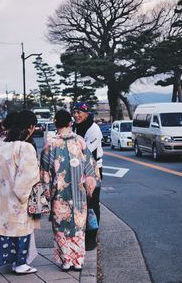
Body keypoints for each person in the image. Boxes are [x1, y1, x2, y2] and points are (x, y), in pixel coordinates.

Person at [40, 109, 97, 271]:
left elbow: (44, 173)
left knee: (61, 227)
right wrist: (89, 188)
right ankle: (78, 261)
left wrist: (47, 192)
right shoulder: (80, 142)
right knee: (78, 227)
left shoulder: (50, 144)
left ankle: (66, 261)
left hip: (59, 194)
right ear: (70, 123)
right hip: (79, 194)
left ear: (55, 123)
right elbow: (90, 168)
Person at [0, 110, 40, 274]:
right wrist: (27, 195)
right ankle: (20, 263)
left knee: (7, 228)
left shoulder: (4, 145)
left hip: (3, 196)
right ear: (31, 127)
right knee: (21, 229)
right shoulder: (25, 147)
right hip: (19, 198)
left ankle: (9, 260)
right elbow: (27, 176)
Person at [72, 102, 103, 251]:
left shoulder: (94, 129)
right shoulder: (76, 127)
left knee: (92, 204)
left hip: (94, 169)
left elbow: (86, 152)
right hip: (79, 168)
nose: (76, 115)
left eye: (79, 112)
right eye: (74, 112)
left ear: (87, 113)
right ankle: (82, 235)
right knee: (81, 203)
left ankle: (91, 238)